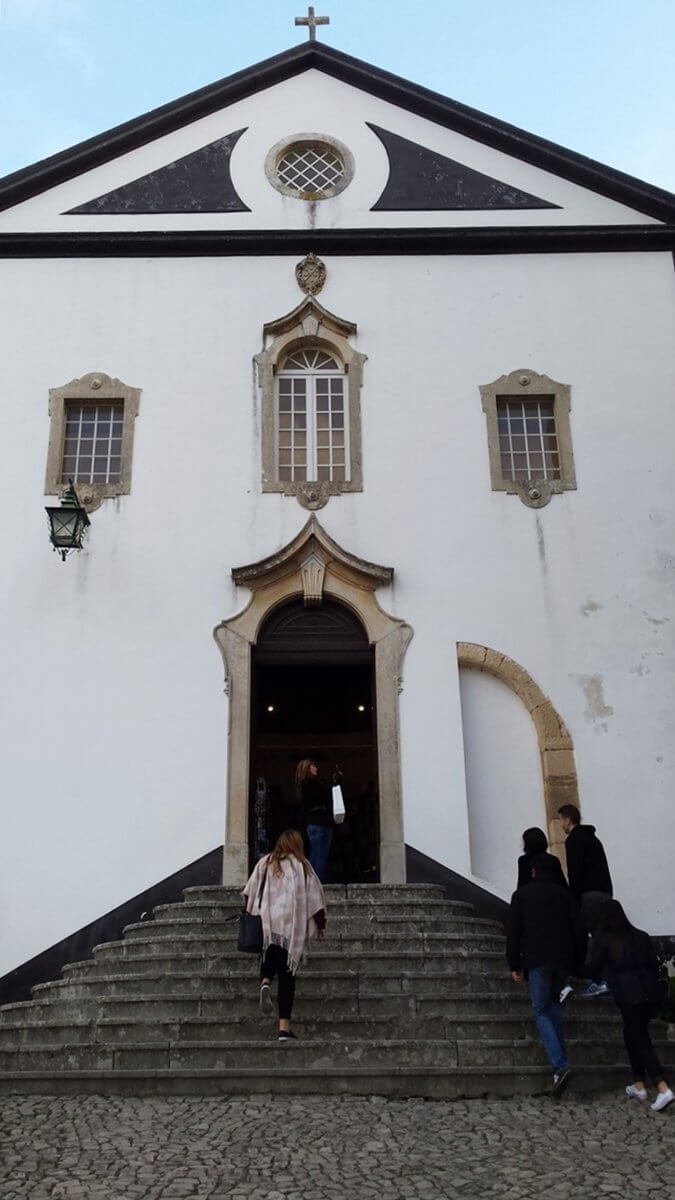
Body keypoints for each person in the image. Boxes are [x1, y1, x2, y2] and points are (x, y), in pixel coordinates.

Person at [506, 852, 587, 1098]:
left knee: (540, 1010)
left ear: (534, 871)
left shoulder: (522, 896)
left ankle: (561, 1066)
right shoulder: (566, 896)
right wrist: (578, 962)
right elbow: (579, 931)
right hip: (562, 960)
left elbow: (514, 932)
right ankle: (560, 1069)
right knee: (552, 1008)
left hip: (537, 959)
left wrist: (514, 964)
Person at [585, 900, 673, 1112]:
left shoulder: (605, 940)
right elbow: (654, 964)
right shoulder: (641, 936)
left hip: (628, 996)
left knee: (641, 1040)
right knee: (631, 1034)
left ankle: (663, 1088)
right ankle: (638, 1083)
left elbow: (592, 968)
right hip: (650, 995)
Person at [243, 829, 326, 1041]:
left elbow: (248, 893)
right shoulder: (302, 867)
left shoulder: (264, 863)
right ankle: (283, 1029)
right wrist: (320, 925)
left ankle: (265, 980)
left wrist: (250, 911)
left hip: (267, 924)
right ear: (297, 845)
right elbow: (315, 900)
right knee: (288, 974)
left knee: (269, 953)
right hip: (291, 927)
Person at [558, 803, 613, 996]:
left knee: (582, 935)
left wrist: (573, 899)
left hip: (588, 895)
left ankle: (596, 979)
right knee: (602, 936)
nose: (560, 826)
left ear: (567, 820)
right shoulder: (593, 839)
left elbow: (575, 871)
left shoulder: (574, 840)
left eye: (561, 821)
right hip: (604, 893)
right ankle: (604, 979)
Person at [296, 757, 333, 882]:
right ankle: (318, 885)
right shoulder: (315, 784)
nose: (316, 768)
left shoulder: (302, 787)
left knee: (314, 854)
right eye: (313, 766)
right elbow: (326, 797)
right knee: (321, 856)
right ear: (307, 768)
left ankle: (309, 882)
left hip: (310, 824)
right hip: (321, 822)